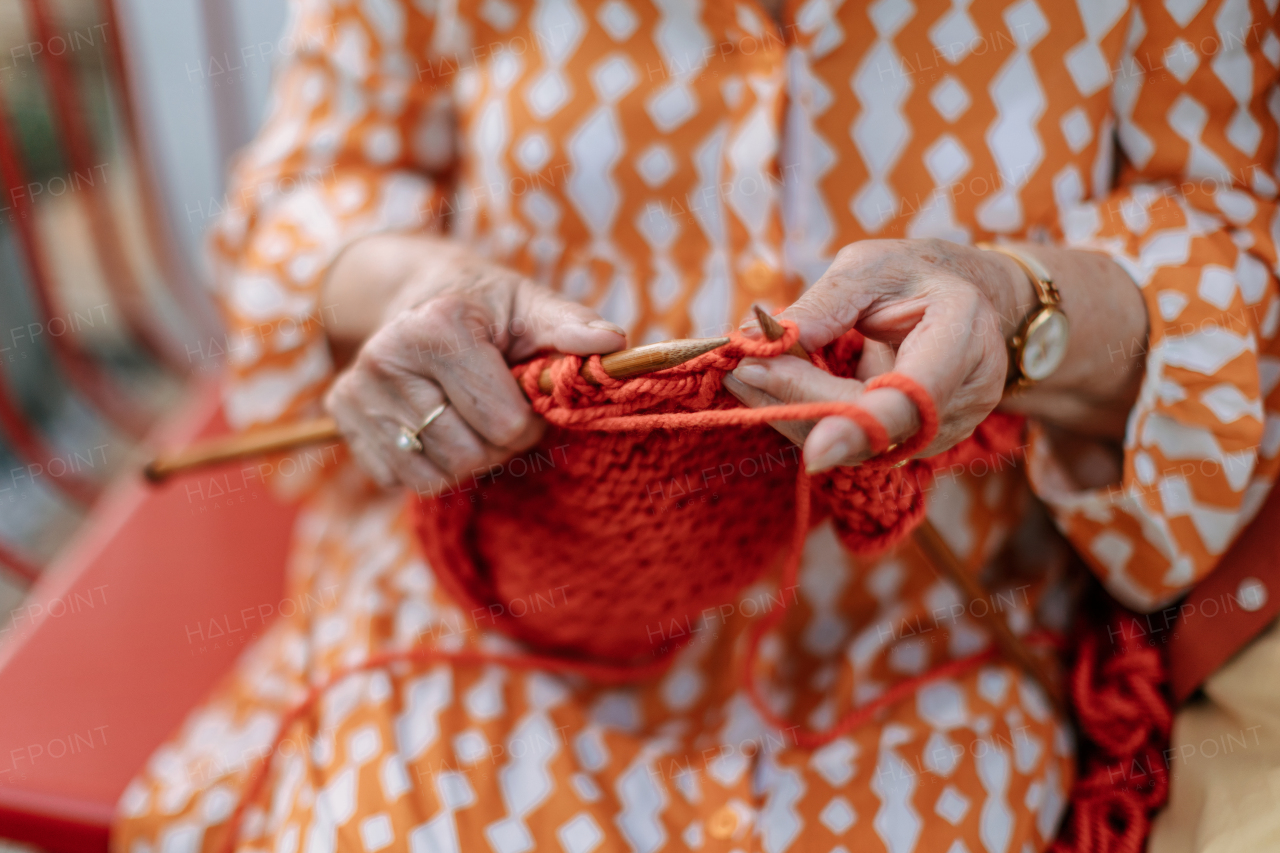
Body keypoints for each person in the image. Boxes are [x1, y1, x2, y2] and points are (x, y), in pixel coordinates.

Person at [114, 0, 1279, 851]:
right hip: (496, 612)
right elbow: (315, 191)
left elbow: (1230, 245)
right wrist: (400, 294)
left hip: (924, 626)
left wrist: (1022, 309)